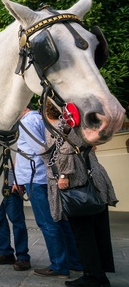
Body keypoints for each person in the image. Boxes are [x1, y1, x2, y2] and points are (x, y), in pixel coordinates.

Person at [43, 102, 118, 287]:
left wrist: (63, 175)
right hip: (94, 179)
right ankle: (99, 273)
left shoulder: (59, 126)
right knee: (96, 229)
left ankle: (93, 276)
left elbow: (64, 150)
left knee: (83, 232)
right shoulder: (77, 124)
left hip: (78, 184)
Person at [15, 104, 82, 278]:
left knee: (47, 223)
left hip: (36, 178)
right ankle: (74, 262)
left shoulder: (27, 122)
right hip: (43, 177)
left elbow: (40, 148)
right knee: (60, 220)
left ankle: (59, 266)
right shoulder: (39, 118)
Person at [0, 169, 31, 271]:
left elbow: (18, 161)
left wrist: (17, 182)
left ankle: (22, 256)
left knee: (17, 221)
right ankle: (4, 253)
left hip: (11, 184)